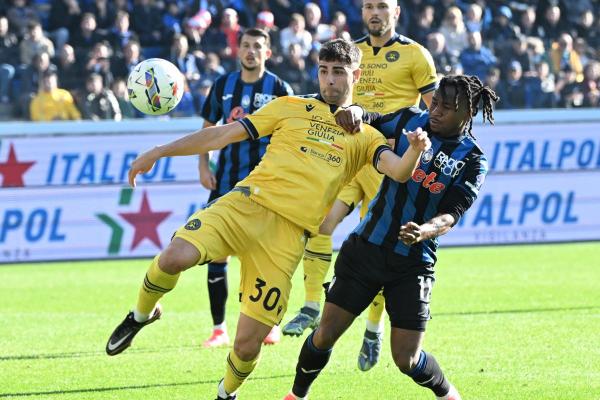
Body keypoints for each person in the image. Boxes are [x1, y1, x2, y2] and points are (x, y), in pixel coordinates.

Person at [105, 38, 430, 400]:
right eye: (324, 71)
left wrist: (415, 150)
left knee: (246, 346)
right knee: (173, 257)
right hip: (246, 205)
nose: (330, 81)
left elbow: (399, 172)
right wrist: (161, 151)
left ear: (355, 75)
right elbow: (224, 133)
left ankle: (226, 394)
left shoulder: (366, 136)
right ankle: (140, 315)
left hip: (287, 239)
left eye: (339, 73)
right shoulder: (290, 106)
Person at [283, 74, 498, 400]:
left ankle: (449, 394)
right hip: (366, 248)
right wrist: (355, 111)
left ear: (466, 114)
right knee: (325, 335)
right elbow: (371, 119)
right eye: (435, 102)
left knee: (406, 359)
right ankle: (296, 396)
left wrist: (424, 230)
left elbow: (453, 213)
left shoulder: (473, 159)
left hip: (413, 264)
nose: (435, 111)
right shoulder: (412, 119)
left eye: (446, 107)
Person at [282, 0, 437, 374]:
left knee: (383, 246)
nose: (374, 12)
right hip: (351, 156)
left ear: (396, 12)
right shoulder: (351, 53)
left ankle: (372, 327)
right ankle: (310, 305)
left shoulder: (416, 55)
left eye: (382, 6)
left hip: (390, 164)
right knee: (320, 222)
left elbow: (436, 116)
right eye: (369, 5)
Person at [197, 28, 294, 348]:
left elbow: (293, 134)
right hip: (225, 181)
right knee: (217, 255)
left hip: (267, 186)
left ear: (268, 53)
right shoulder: (224, 85)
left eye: (258, 47)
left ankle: (270, 324)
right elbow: (208, 129)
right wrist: (203, 164)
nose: (251, 51)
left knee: (267, 257)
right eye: (246, 46)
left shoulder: (280, 88)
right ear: (238, 51)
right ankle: (218, 328)